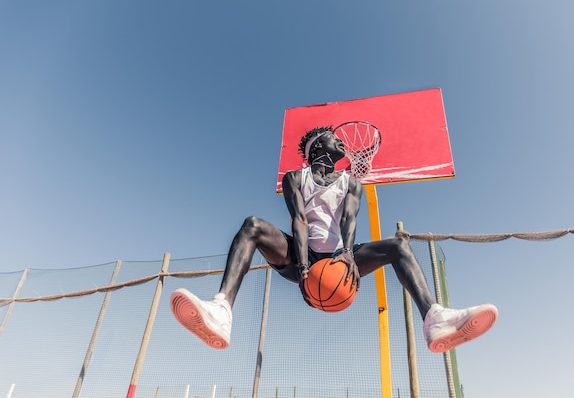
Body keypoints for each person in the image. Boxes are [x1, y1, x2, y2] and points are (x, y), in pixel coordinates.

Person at [170, 126, 497, 353]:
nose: (343, 143)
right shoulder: (295, 178)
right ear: (317, 146)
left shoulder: (351, 182)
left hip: (340, 257)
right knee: (252, 225)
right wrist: (301, 265)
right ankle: (221, 311)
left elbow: (348, 220)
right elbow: (298, 220)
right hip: (301, 255)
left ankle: (435, 318)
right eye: (335, 138)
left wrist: (350, 257)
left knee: (398, 246)